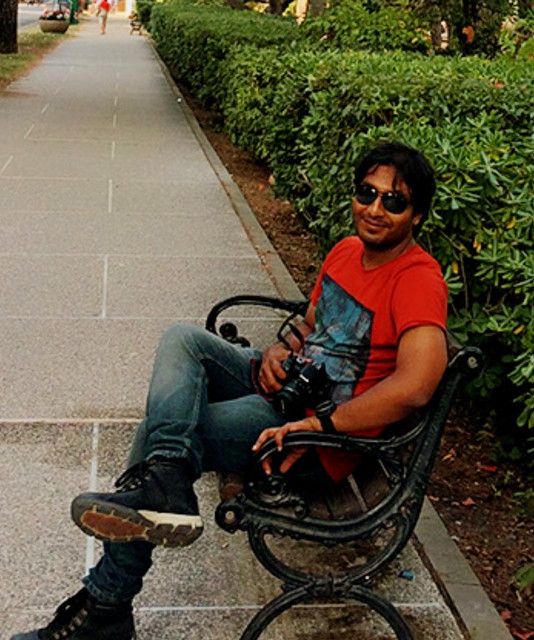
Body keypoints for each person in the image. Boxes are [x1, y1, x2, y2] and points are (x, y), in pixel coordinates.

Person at [11, 141, 449, 640]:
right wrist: (279, 350)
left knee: (156, 431)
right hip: (287, 388)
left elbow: (416, 386)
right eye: (367, 193)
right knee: (183, 340)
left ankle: (107, 605)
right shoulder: (347, 251)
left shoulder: (418, 280)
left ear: (417, 215)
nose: (375, 209)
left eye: (394, 201)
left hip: (316, 438)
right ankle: (167, 478)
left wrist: (316, 424)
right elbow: (311, 324)